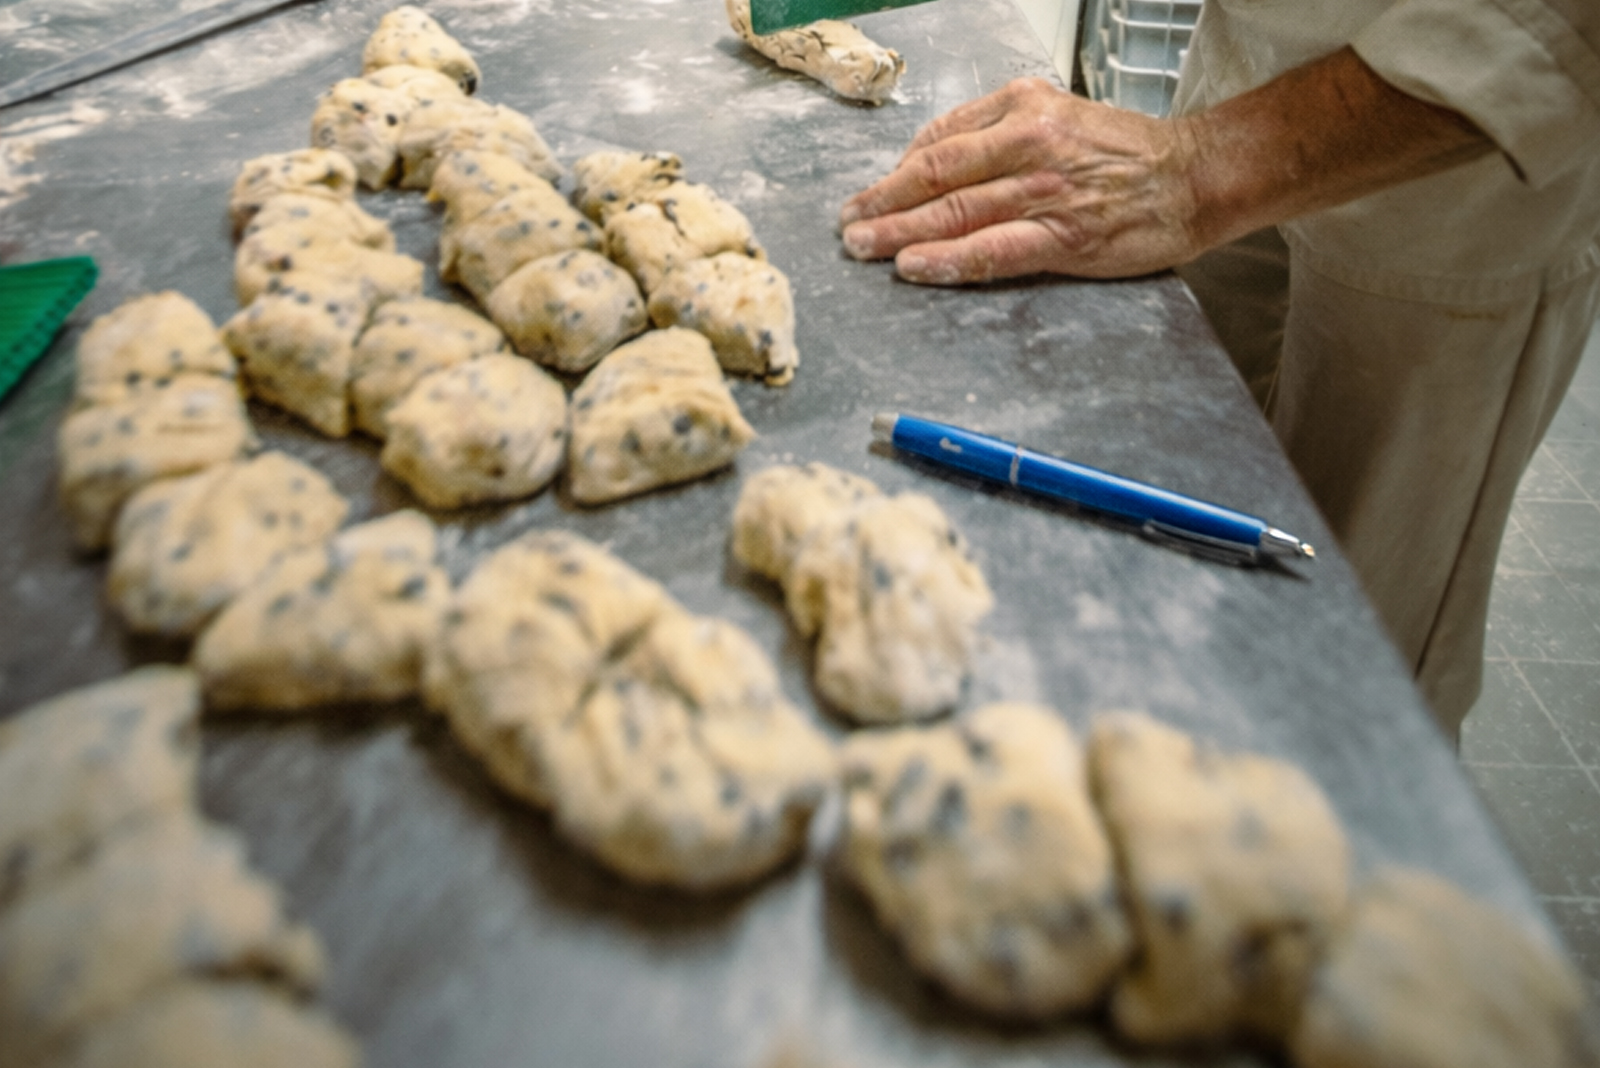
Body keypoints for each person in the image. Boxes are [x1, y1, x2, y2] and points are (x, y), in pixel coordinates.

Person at [836, 0, 1600, 741]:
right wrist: (1199, 157)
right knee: (1166, 524)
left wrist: (1200, 171)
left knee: (1346, 669)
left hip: (1452, 143)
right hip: (1251, 60)